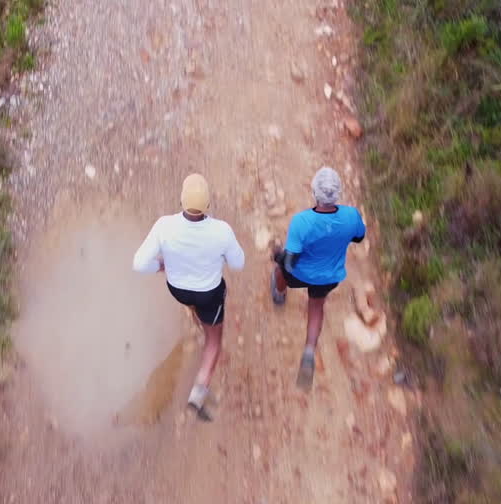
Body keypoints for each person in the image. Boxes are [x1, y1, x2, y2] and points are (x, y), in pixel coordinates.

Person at [133, 173, 246, 420]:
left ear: (181, 201)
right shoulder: (221, 231)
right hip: (209, 293)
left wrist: (159, 266)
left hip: (178, 289)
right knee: (213, 341)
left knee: (194, 305)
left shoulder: (164, 226)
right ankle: (199, 391)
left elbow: (139, 263)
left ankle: (198, 322)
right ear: (208, 204)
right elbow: (238, 263)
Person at [270, 166, 366, 390]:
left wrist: (277, 255)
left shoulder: (302, 222)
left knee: (279, 271)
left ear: (314, 192)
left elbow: (289, 263)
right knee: (316, 306)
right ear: (338, 193)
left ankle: (279, 294)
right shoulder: (351, 216)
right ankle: (309, 351)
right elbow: (359, 237)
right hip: (329, 277)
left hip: (300, 274)